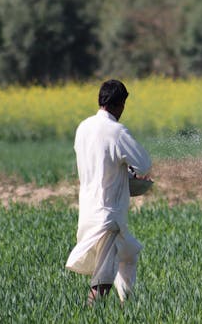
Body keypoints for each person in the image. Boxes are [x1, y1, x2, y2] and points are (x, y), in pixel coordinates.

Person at [65, 79, 152, 304]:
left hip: (88, 210)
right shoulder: (117, 130)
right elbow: (143, 165)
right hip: (109, 214)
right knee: (103, 278)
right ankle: (90, 312)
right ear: (120, 104)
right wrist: (134, 174)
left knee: (128, 256)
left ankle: (128, 305)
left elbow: (103, 162)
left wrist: (124, 172)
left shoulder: (83, 127)